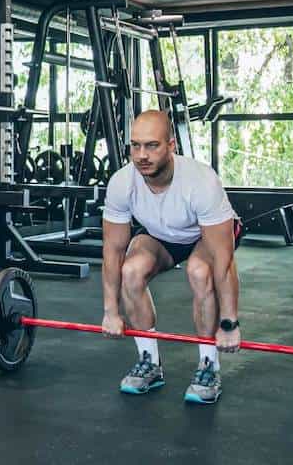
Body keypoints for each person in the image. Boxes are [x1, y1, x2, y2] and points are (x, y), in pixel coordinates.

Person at [100, 110, 240, 404]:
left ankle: (208, 366)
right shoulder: (122, 183)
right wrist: (111, 311)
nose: (142, 155)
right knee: (131, 270)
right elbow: (112, 252)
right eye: (135, 146)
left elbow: (223, 261)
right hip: (161, 235)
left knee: (201, 271)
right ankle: (149, 361)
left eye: (152, 145)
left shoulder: (201, 182)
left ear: (171, 145)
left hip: (204, 236)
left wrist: (229, 323)